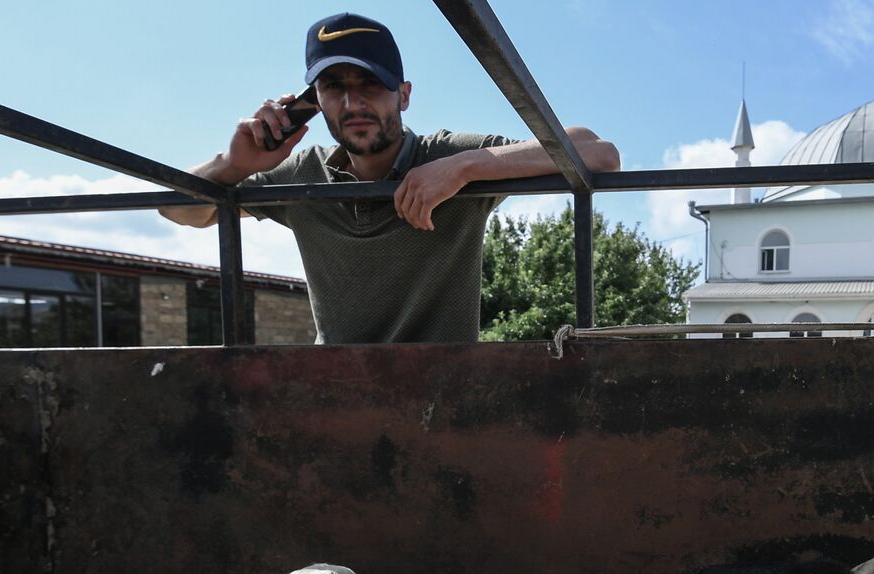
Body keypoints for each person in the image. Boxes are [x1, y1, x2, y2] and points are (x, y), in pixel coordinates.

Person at [161, 12, 620, 343]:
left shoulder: (447, 156)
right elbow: (178, 209)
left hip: (443, 394)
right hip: (340, 394)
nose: (352, 103)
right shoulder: (303, 174)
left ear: (403, 95)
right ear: (313, 100)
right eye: (333, 87)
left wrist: (465, 168)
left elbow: (598, 153)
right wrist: (234, 165)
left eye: (370, 84)